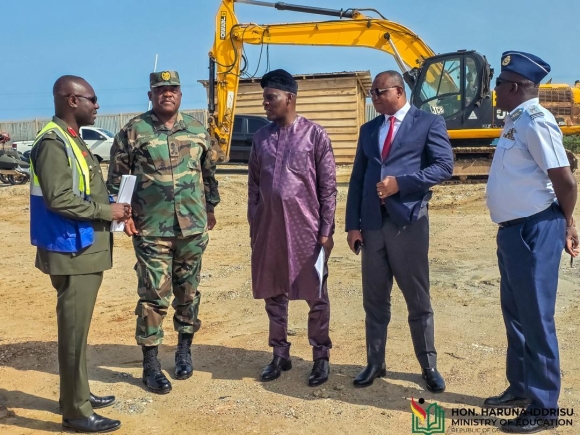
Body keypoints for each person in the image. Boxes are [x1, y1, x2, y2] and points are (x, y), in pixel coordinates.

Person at [107, 71, 220, 395]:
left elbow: (209, 174)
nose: (166, 94)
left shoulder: (198, 131)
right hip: (151, 229)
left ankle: (184, 350)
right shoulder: (133, 131)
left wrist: (210, 208)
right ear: (150, 96)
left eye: (172, 90)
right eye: (160, 90)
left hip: (191, 228)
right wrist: (123, 216)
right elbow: (117, 178)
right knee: (154, 296)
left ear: (180, 95)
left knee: (188, 293)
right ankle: (151, 363)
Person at [484, 51, 578, 434]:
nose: (495, 91)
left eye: (499, 84)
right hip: (513, 232)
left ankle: (544, 408)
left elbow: (565, 180)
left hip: (534, 230)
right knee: (516, 315)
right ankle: (521, 387)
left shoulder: (537, 121)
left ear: (515, 87)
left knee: (536, 318)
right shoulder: (515, 121)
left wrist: (567, 222)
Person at [30, 75, 129, 433]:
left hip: (81, 247)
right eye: (92, 99)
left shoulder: (71, 138)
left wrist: (113, 205)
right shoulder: (54, 142)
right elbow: (59, 198)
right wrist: (107, 211)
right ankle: (75, 411)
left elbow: (84, 190)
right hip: (72, 250)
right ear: (72, 100)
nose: (97, 105)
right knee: (73, 334)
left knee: (78, 331)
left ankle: (78, 394)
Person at [345, 70, 453, 392]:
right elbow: (357, 179)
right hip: (372, 225)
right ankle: (375, 363)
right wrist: (352, 225)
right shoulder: (369, 130)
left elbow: (444, 166)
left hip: (408, 222)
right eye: (372, 93)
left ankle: (428, 366)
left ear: (398, 92)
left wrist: (401, 184)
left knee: (417, 300)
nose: (374, 97)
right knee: (374, 300)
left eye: (378, 92)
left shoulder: (428, 123)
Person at [248, 69, 337, 387]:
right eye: (264, 98)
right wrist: (254, 225)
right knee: (273, 293)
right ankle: (280, 354)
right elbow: (253, 187)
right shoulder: (261, 138)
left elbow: (328, 188)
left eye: (270, 97)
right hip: (269, 230)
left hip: (307, 231)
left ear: (289, 98)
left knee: (316, 295)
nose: (265, 103)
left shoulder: (315, 135)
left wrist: (326, 231)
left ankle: (320, 357)